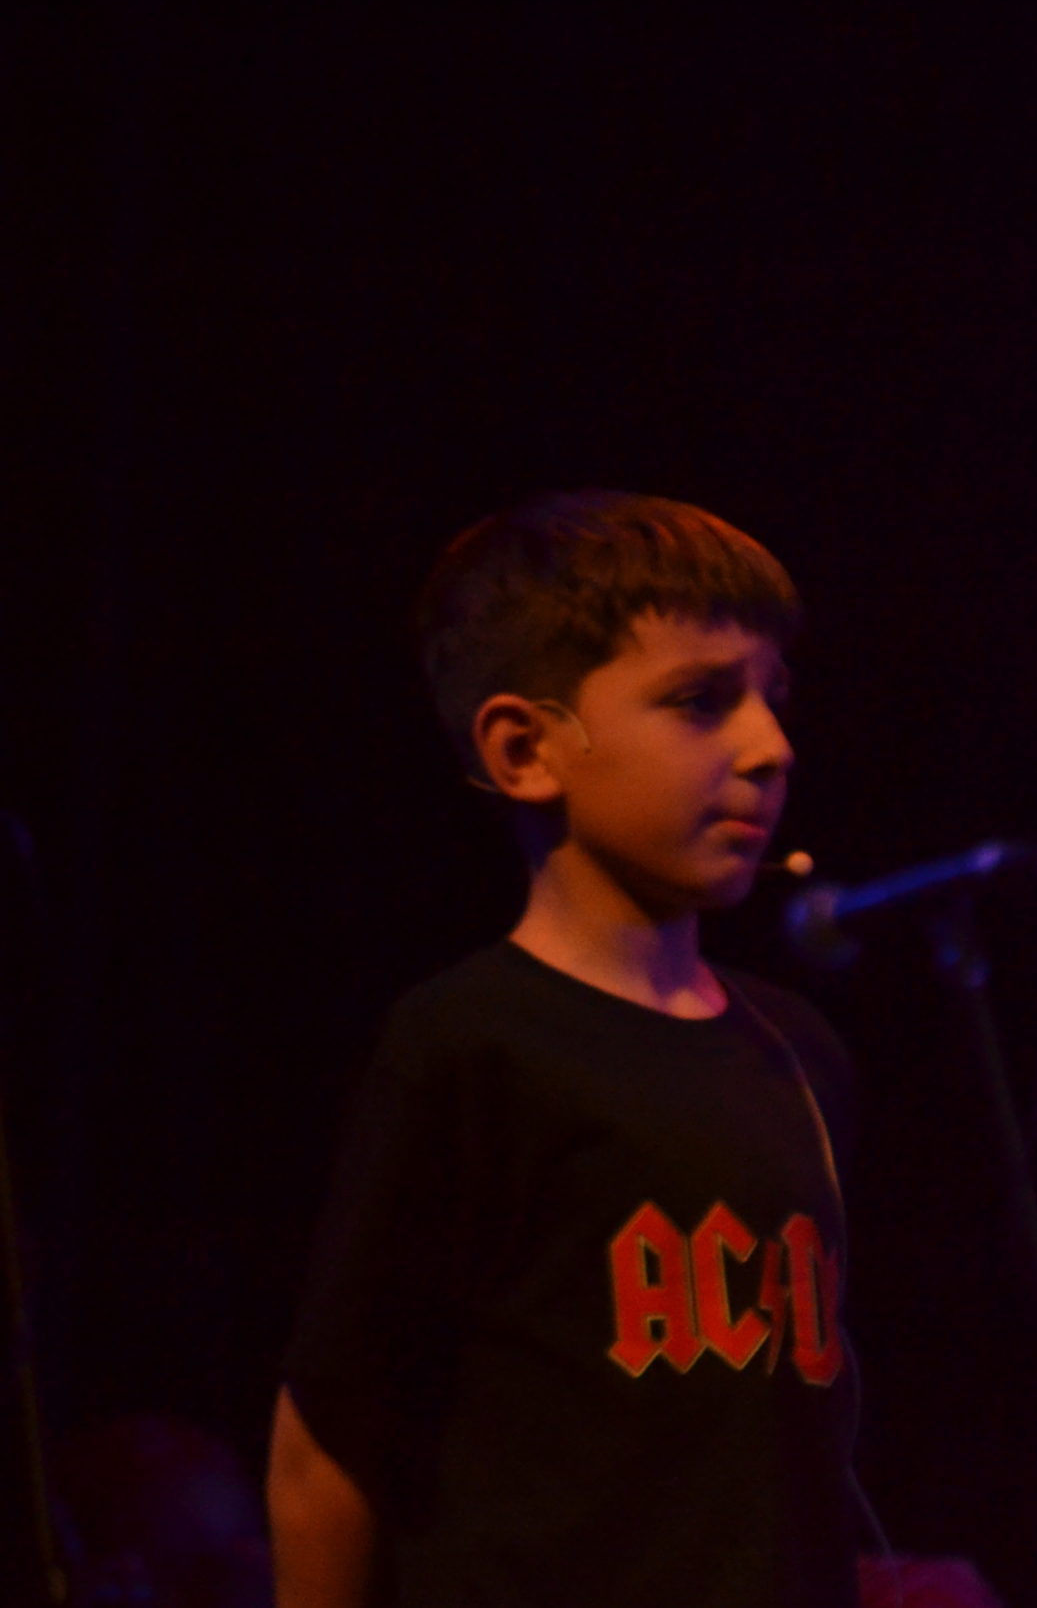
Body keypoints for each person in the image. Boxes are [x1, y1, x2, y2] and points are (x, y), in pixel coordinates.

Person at [265, 491, 862, 1607]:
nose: (770, 747)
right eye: (701, 701)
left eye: (772, 699)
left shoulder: (797, 1049)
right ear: (527, 748)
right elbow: (328, 1443)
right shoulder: (471, 1046)